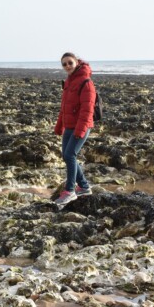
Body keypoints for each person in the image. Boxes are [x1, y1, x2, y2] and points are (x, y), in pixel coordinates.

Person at [54, 52, 95, 205]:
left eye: (70, 62)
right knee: (66, 156)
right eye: (64, 64)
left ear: (77, 62)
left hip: (81, 126)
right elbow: (64, 108)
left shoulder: (86, 82)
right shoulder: (68, 81)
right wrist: (59, 126)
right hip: (69, 126)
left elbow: (87, 110)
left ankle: (70, 191)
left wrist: (80, 130)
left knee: (70, 155)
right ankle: (84, 186)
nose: (67, 66)